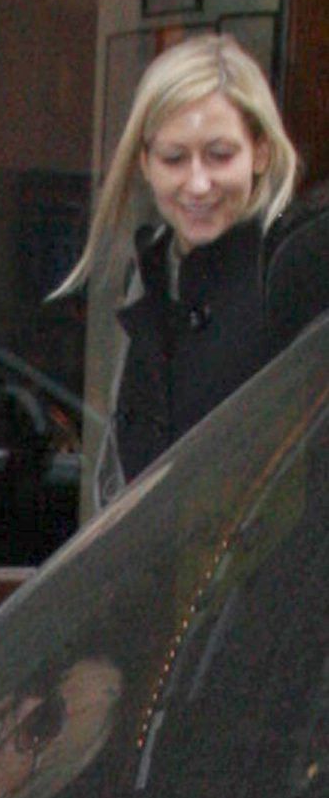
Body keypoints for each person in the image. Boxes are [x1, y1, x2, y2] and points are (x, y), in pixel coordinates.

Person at [53, 34, 306, 502]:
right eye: (174, 158)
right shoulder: (147, 279)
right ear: (145, 163)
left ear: (261, 152)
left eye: (220, 155)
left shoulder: (295, 280)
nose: (198, 183)